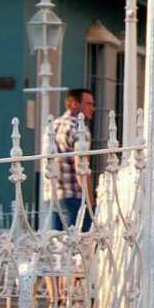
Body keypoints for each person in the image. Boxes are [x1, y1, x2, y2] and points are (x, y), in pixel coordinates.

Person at [50, 89, 95, 232]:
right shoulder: (79, 129)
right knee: (80, 244)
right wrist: (90, 199)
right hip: (75, 195)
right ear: (74, 104)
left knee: (58, 245)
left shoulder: (52, 126)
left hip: (54, 195)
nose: (92, 108)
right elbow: (81, 167)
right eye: (88, 103)